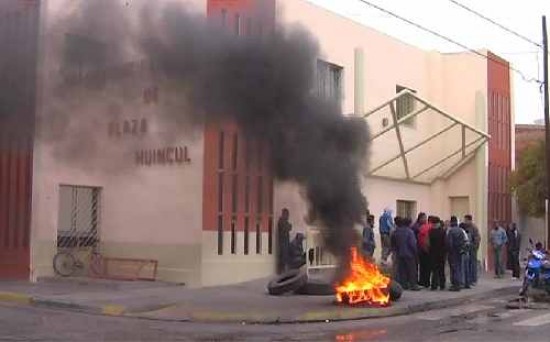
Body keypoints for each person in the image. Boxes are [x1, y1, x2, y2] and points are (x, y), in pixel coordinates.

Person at [391, 217, 420, 291]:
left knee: (402, 270)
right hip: (409, 254)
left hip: (400, 253)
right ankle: (413, 285)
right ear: (409, 224)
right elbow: (412, 244)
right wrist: (416, 252)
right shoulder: (410, 232)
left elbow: (393, 243)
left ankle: (403, 285)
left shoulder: (396, 231)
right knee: (412, 270)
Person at [446, 216, 466, 291]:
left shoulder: (451, 231)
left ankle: (455, 284)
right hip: (459, 251)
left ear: (451, 222)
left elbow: (449, 243)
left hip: (453, 252)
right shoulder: (461, 230)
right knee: (458, 267)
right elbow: (464, 241)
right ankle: (459, 283)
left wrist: (449, 251)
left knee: (454, 268)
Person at [429, 216, 446, 290]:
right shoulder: (443, 231)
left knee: (434, 270)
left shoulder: (430, 232)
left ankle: (434, 285)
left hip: (433, 253)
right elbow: (445, 243)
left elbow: (428, 243)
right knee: (441, 270)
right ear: (439, 223)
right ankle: (442, 284)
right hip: (441, 253)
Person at [463, 214, 481, 285]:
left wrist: (474, 246)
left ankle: (473, 279)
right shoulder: (466, 227)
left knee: (473, 264)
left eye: (466, 220)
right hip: (468, 248)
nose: (465, 221)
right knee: (468, 264)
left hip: (472, 248)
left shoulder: (474, 227)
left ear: (469, 220)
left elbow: (477, 238)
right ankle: (468, 279)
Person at [417, 215, 433, 288]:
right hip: (429, 250)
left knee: (422, 266)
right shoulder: (431, 227)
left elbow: (419, 238)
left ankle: (421, 281)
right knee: (428, 267)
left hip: (421, 249)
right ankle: (427, 282)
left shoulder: (422, 227)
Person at [277, 208, 292, 274]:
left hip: (285, 240)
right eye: (287, 215)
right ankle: (281, 270)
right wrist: (288, 226)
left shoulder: (284, 221)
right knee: (283, 255)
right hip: (283, 241)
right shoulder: (281, 221)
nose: (288, 216)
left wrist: (289, 226)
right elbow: (287, 227)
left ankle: (283, 270)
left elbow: (290, 227)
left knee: (285, 255)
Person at [459, 222, 472, 289]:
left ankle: (462, 283)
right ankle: (467, 283)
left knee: (462, 268)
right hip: (467, 253)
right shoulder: (468, 233)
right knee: (467, 268)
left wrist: (462, 250)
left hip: (463, 252)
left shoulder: (462, 233)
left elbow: (466, 243)